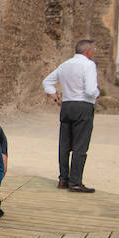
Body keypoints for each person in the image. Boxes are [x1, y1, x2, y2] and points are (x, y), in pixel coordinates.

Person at [41, 39, 99, 193]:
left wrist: (55, 97)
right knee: (80, 145)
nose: (94, 52)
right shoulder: (89, 65)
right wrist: (97, 94)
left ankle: (63, 179)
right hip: (83, 106)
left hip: (67, 106)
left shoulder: (65, 65)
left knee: (65, 145)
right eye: (94, 50)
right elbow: (91, 90)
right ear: (88, 52)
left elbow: (47, 82)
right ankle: (75, 182)